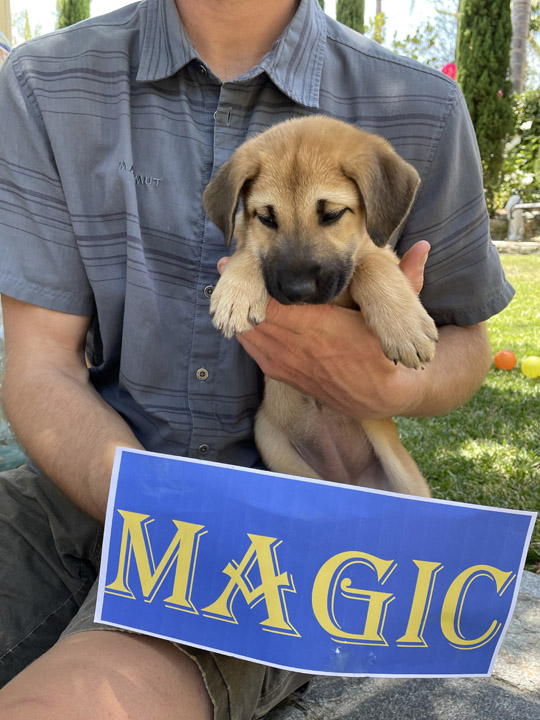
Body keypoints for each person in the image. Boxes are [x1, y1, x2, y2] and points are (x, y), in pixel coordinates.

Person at [0, 0, 513, 717]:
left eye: (331, 214)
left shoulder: (421, 107)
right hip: (76, 488)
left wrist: (388, 381)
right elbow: (38, 363)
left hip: (274, 537)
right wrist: (153, 518)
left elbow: (462, 346)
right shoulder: (42, 82)